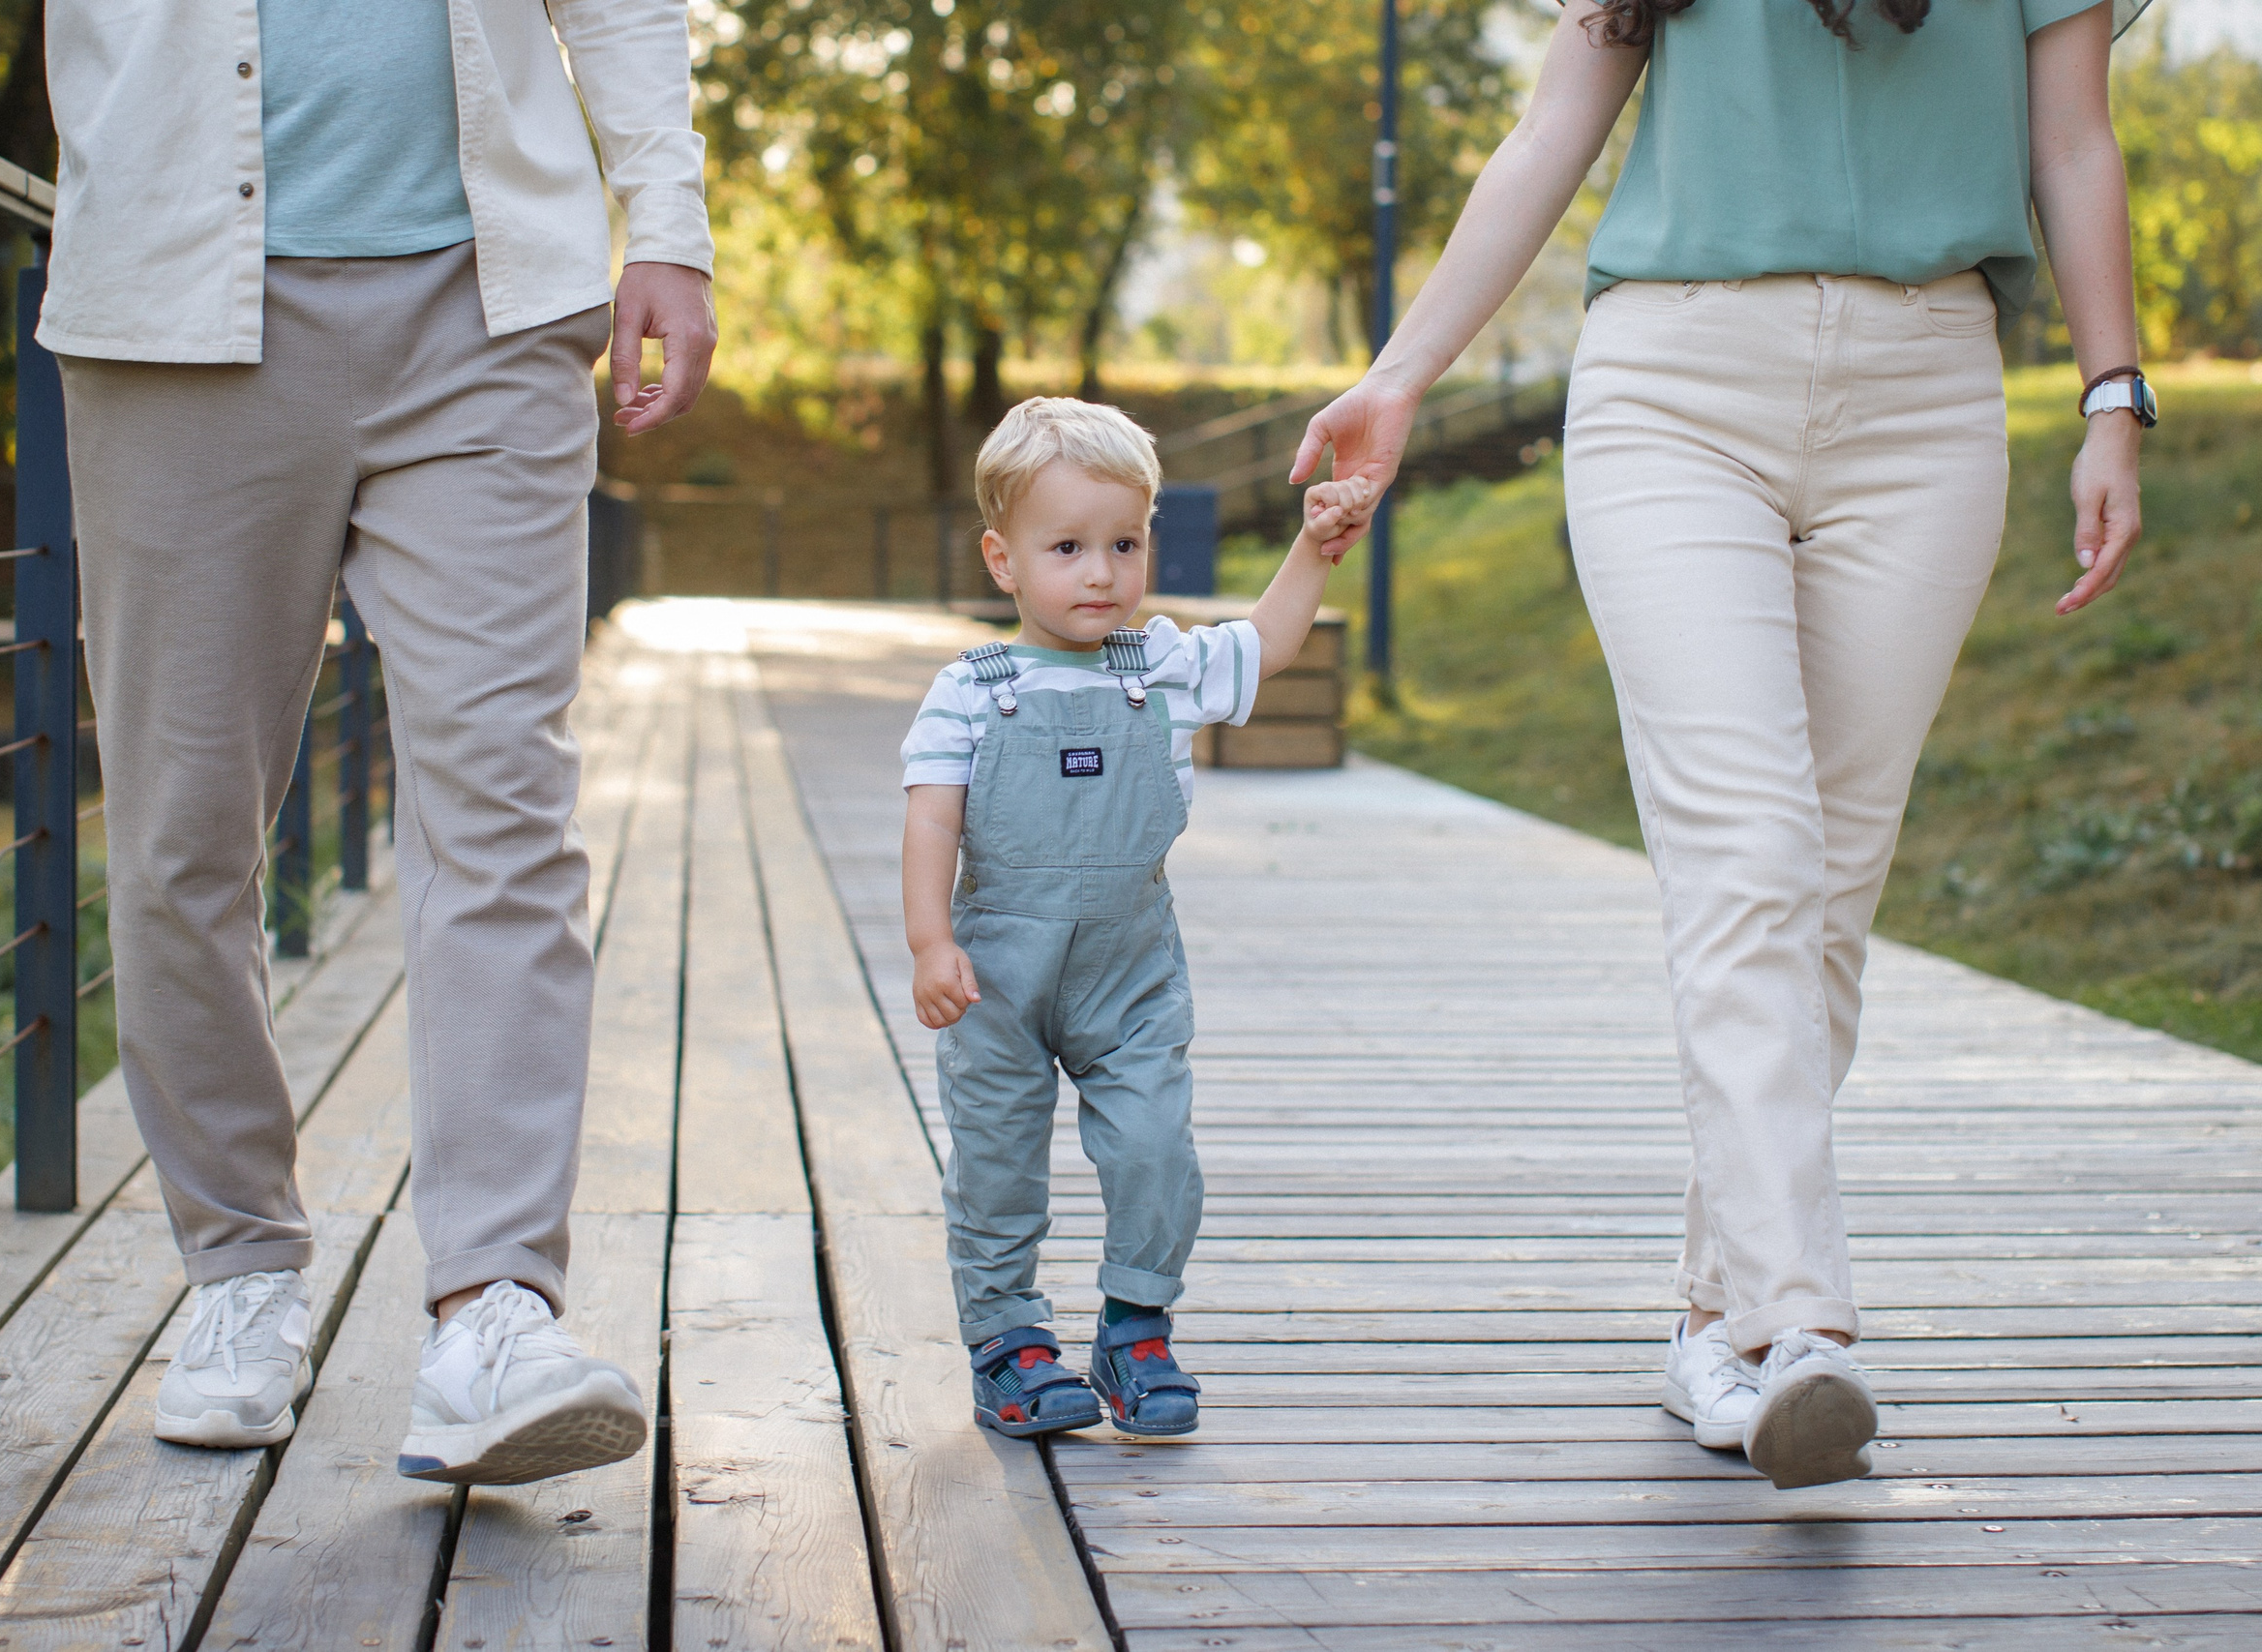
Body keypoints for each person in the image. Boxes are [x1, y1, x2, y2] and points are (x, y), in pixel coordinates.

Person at [1292, 0, 2150, 1488]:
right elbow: (1552, 126)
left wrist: (2112, 395)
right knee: (1750, 853)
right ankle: (1804, 1323)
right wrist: (1403, 371)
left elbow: (2072, 138)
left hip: (1927, 390)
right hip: (1674, 386)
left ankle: (1716, 1318)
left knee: (1829, 894)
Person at [39, 0, 718, 1485]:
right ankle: (240, 1270)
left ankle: (496, 1305)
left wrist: (668, 218)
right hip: (173, 300)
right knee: (181, 831)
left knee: (504, 808)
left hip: (489, 305)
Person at [900, 399, 1374, 1437]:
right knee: (997, 1156)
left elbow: (1269, 643)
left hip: (1129, 967)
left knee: (1156, 1143)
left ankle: (1135, 1326)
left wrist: (1312, 549)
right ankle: (1008, 1341)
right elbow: (933, 818)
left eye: (1124, 543)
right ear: (1003, 560)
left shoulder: (1160, 664)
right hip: (998, 970)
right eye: (1066, 548)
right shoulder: (971, 690)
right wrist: (932, 941)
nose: (1102, 573)